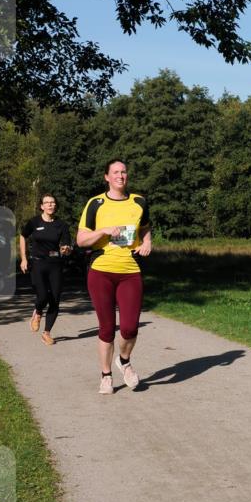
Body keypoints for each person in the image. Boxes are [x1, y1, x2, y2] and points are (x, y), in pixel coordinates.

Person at [77, 160, 152, 393]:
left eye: (124, 172)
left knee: (129, 328)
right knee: (107, 328)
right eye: (116, 172)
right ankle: (106, 375)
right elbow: (80, 240)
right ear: (106, 177)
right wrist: (103, 231)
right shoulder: (95, 204)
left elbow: (146, 228)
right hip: (101, 271)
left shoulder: (139, 201)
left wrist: (148, 241)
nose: (121, 176)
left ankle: (125, 360)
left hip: (130, 271)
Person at [20, 195, 72, 346]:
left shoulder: (61, 225)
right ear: (41, 206)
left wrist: (66, 249)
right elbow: (23, 236)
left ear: (56, 206)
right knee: (42, 296)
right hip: (38, 264)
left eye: (53, 202)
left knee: (55, 300)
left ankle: (47, 332)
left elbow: (66, 245)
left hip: (55, 264)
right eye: (47, 203)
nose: (50, 205)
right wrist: (24, 258)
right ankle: (37, 311)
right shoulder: (34, 222)